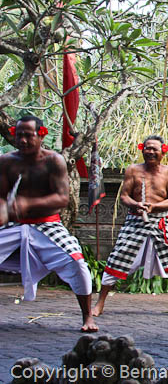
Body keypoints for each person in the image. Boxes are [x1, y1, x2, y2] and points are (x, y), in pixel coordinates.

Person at [0, 115, 97, 332]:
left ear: (41, 135)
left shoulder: (54, 161)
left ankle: (88, 316)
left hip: (47, 225)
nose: (22, 140)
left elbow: (62, 199)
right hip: (14, 225)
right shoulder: (6, 161)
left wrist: (27, 203)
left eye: (28, 135)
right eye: (19, 135)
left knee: (77, 262)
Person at [91, 135, 168, 317]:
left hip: (160, 223)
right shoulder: (133, 170)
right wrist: (136, 204)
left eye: (154, 149)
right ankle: (99, 303)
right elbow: (124, 196)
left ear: (163, 151)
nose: (150, 152)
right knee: (117, 258)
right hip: (135, 221)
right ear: (142, 150)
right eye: (147, 148)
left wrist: (154, 207)